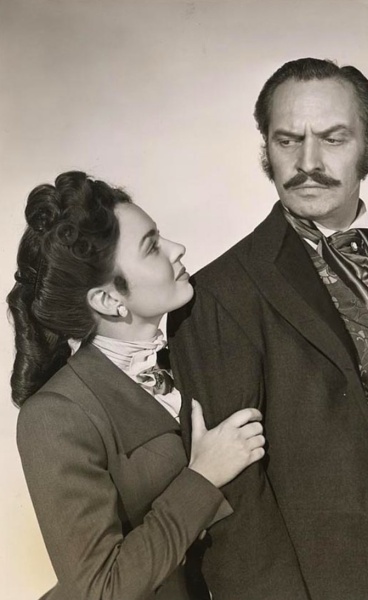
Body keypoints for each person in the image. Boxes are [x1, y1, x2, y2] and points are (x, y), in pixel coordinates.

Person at [168, 58, 368, 600]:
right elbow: (236, 502)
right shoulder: (220, 292)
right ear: (266, 149)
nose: (307, 163)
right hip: (317, 582)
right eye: (288, 141)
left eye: (333, 139)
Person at [8, 171, 265, 600]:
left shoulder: (190, 355)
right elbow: (100, 589)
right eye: (151, 246)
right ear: (109, 300)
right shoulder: (55, 415)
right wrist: (203, 476)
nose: (177, 249)